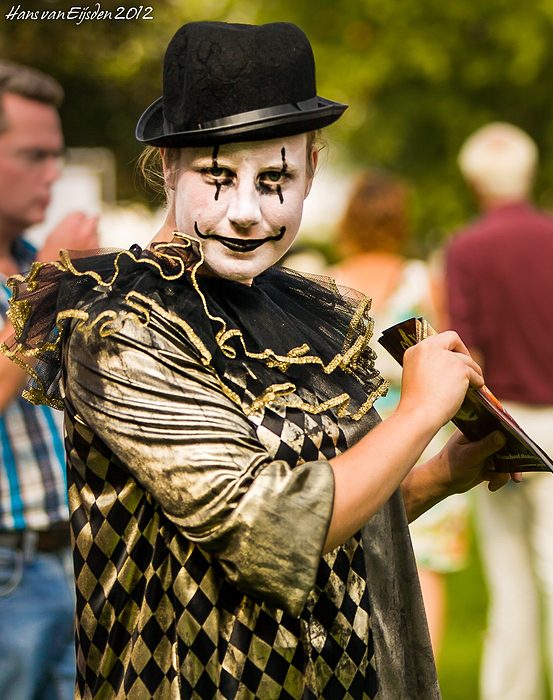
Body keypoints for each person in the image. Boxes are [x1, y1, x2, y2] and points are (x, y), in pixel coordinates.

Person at [3, 22, 514, 698]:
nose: (246, 212)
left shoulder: (295, 310)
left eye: (275, 178)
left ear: (311, 172)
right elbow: (267, 529)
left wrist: (440, 473)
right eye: (218, 177)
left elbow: (327, 517)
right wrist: (415, 414)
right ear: (166, 166)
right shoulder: (120, 328)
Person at [444, 122, 553, 700]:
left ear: (475, 181)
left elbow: (471, 352)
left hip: (504, 422)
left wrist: (485, 431)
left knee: (511, 583)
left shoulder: (466, 249)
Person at [329, 169, 470, 662]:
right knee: (424, 569)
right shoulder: (419, 279)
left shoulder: (330, 285)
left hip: (356, 440)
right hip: (425, 438)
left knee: (360, 564)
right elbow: (451, 353)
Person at [0, 60, 98, 700]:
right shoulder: (42, 269)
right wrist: (50, 282)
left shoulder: (33, 258)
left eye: (56, 155)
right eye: (34, 155)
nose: (54, 174)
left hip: (74, 559)